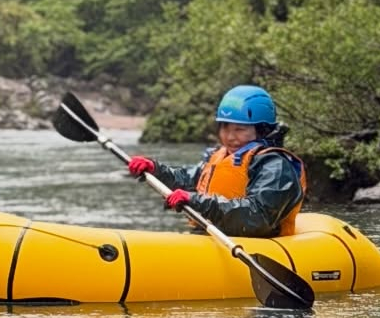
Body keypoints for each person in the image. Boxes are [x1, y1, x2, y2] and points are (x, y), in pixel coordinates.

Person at [126, 84, 305, 238]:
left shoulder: (275, 166)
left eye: (239, 129)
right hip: (213, 237)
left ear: (262, 130)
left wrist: (196, 201)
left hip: (256, 244)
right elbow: (186, 180)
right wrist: (155, 169)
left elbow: (257, 217)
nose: (229, 137)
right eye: (225, 128)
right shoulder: (220, 156)